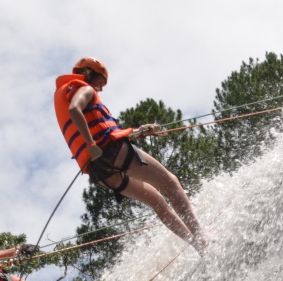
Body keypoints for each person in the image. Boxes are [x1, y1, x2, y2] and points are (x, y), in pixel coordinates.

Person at [53, 57, 208, 254]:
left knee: (157, 202)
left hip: (99, 171)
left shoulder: (65, 91)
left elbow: (105, 129)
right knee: (171, 183)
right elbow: (75, 110)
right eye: (100, 82)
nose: (100, 89)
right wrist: (91, 143)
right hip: (111, 151)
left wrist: (139, 131)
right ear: (88, 74)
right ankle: (201, 236)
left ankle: (196, 245)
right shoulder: (85, 89)